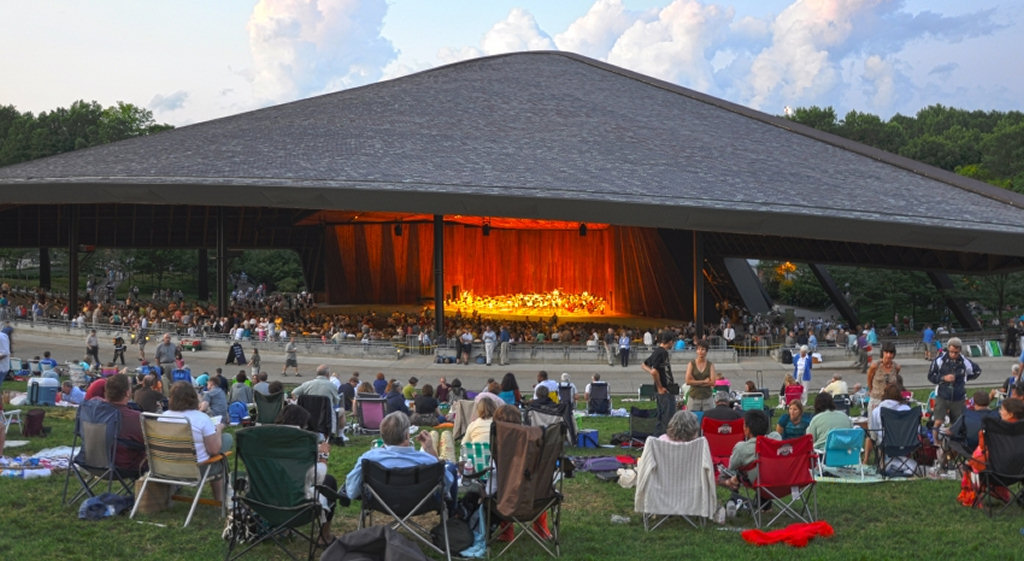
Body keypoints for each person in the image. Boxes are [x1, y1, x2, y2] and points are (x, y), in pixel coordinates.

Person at [343, 411, 453, 500]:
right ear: (407, 435)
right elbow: (447, 485)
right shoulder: (428, 461)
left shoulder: (368, 459)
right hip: (420, 503)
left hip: (381, 503)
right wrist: (430, 449)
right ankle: (454, 516)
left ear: (382, 436)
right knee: (451, 467)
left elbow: (351, 491)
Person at [159, 381, 233, 503]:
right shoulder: (201, 418)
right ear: (193, 398)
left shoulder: (163, 417)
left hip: (165, 467)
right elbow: (214, 450)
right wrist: (218, 429)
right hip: (195, 470)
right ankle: (220, 500)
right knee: (225, 443)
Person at [958, 398, 1024, 508]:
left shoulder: (994, 431)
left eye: (1002, 410)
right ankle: (1001, 494)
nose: (999, 412)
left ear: (1010, 414)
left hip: (995, 473)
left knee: (975, 461)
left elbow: (982, 448)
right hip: (1020, 473)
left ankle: (971, 497)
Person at [719, 409, 781, 514]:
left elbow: (731, 466)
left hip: (759, 482)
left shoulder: (741, 448)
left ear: (747, 430)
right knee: (761, 468)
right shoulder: (776, 438)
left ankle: (733, 496)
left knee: (726, 473)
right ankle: (764, 505)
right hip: (780, 481)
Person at [927, 337, 981, 441]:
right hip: (943, 395)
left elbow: (977, 371)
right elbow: (931, 376)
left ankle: (953, 444)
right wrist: (943, 378)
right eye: (951, 352)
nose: (953, 355)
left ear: (960, 350)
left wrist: (964, 379)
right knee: (938, 421)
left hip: (958, 397)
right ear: (948, 349)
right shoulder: (940, 360)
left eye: (956, 352)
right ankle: (935, 442)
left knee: (957, 423)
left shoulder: (964, 361)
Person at [104, 373, 147, 473]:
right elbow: (146, 443)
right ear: (127, 393)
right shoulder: (135, 417)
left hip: (90, 462)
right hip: (123, 466)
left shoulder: (94, 411)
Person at [641, 331, 677, 437]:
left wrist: (651, 371)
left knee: (662, 416)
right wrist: (660, 387)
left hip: (666, 388)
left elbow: (644, 364)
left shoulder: (658, 352)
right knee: (666, 417)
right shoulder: (661, 353)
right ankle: (662, 438)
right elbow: (655, 371)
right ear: (670, 342)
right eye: (672, 342)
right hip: (664, 389)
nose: (673, 344)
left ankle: (659, 437)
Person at [867, 342, 902, 417]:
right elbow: (869, 378)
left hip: (890, 400)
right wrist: (871, 390)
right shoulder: (875, 366)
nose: (888, 355)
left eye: (891, 353)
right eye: (886, 352)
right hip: (876, 398)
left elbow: (895, 380)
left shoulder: (896, 367)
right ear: (882, 353)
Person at [683, 339, 717, 412]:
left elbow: (713, 382)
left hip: (707, 397)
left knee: (708, 419)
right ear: (696, 351)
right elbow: (688, 381)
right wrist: (704, 381)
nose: (700, 351)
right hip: (694, 397)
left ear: (706, 351)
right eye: (698, 349)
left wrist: (695, 382)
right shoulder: (691, 364)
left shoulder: (710, 365)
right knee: (692, 419)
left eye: (703, 349)